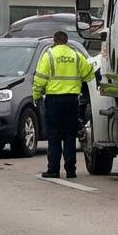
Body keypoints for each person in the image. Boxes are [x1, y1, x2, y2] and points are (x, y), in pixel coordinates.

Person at [31, 31, 96, 178]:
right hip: (72, 101)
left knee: (54, 136)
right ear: (66, 41)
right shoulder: (76, 56)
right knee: (69, 136)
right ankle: (70, 170)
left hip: (54, 101)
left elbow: (40, 79)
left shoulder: (49, 55)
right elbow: (89, 74)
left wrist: (36, 96)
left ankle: (53, 170)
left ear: (54, 41)